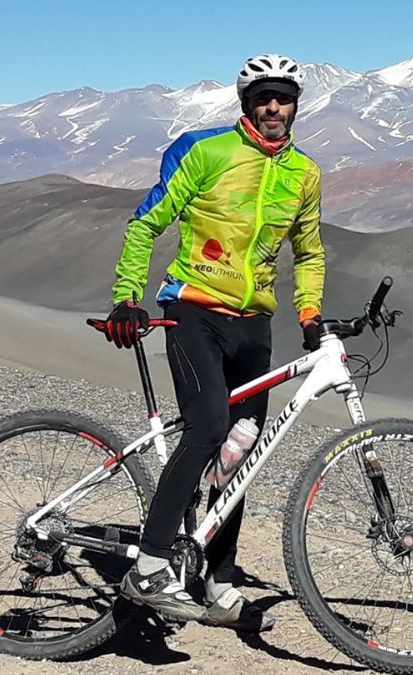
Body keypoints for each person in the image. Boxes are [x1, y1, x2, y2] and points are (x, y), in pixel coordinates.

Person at [103, 53, 325, 632]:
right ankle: (148, 567)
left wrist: (310, 315)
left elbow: (309, 251)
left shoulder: (304, 172)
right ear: (245, 103)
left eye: (283, 97)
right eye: (262, 97)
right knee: (206, 427)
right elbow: (146, 221)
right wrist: (129, 297)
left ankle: (218, 578)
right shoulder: (205, 152)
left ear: (295, 104)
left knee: (241, 453)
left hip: (253, 325)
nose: (273, 107)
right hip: (193, 311)